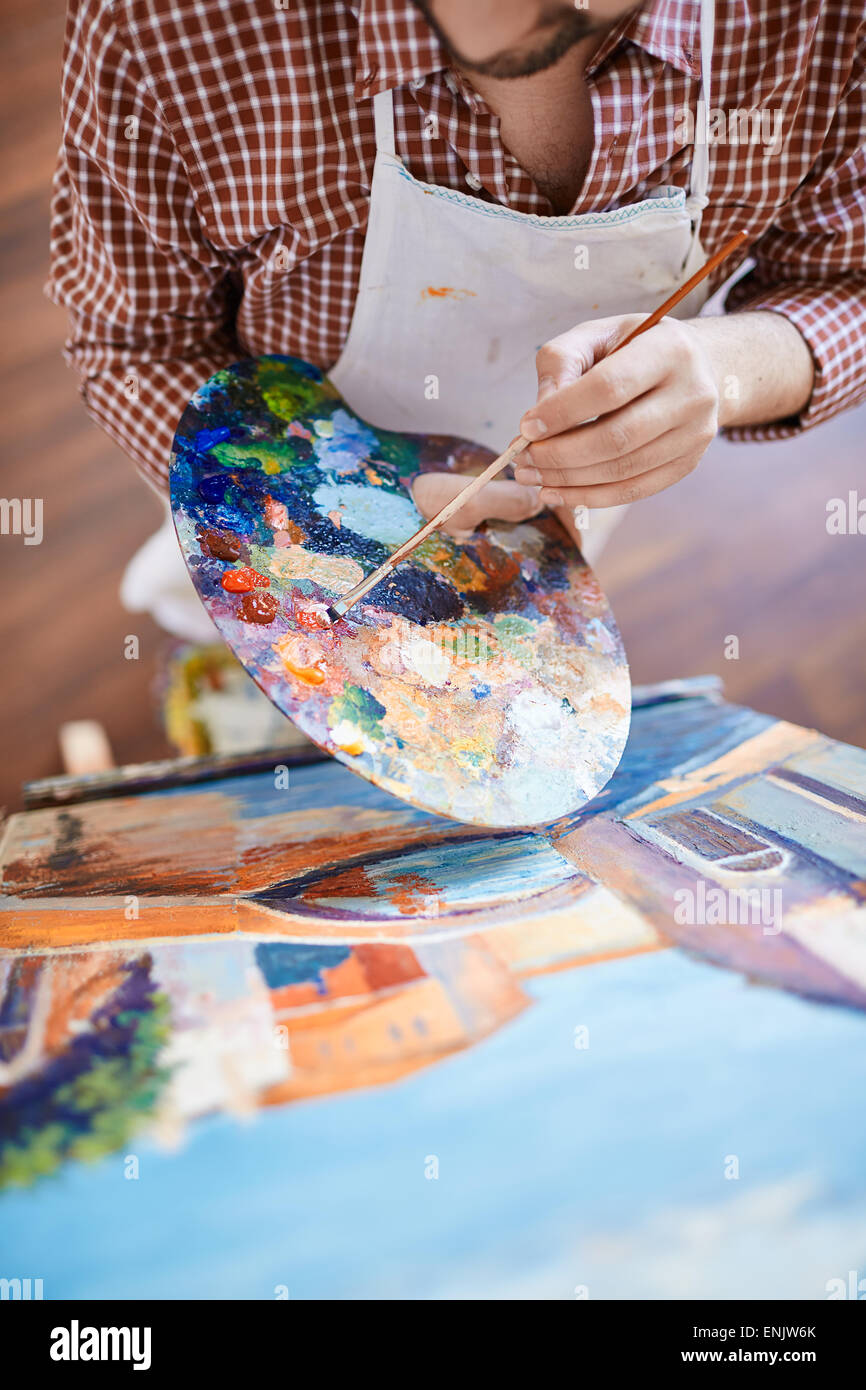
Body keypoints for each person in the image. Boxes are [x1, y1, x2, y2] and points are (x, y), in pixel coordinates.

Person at [50, 0, 865, 638]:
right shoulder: (168, 26)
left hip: (546, 528)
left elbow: (847, 285)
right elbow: (135, 343)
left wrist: (722, 369)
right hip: (269, 505)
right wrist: (318, 519)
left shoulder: (824, 26)